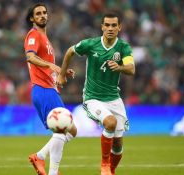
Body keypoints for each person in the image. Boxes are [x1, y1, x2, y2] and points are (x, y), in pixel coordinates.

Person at [57, 12, 135, 175]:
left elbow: (131, 68)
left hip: (114, 99)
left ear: (119, 27)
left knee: (118, 145)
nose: (110, 28)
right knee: (110, 123)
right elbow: (70, 51)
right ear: (102, 27)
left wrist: (119, 67)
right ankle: (105, 165)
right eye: (107, 25)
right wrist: (61, 75)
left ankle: (110, 171)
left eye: (114, 25)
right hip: (93, 98)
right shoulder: (91, 44)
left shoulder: (123, 47)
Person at [24, 3, 77, 175]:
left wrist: (61, 71)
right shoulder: (33, 35)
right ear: (32, 18)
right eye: (38, 13)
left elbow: (48, 68)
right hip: (43, 89)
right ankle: (53, 172)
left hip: (50, 89)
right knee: (62, 129)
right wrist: (52, 65)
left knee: (72, 130)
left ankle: (40, 156)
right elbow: (30, 57)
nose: (42, 16)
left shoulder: (45, 39)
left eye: (44, 13)